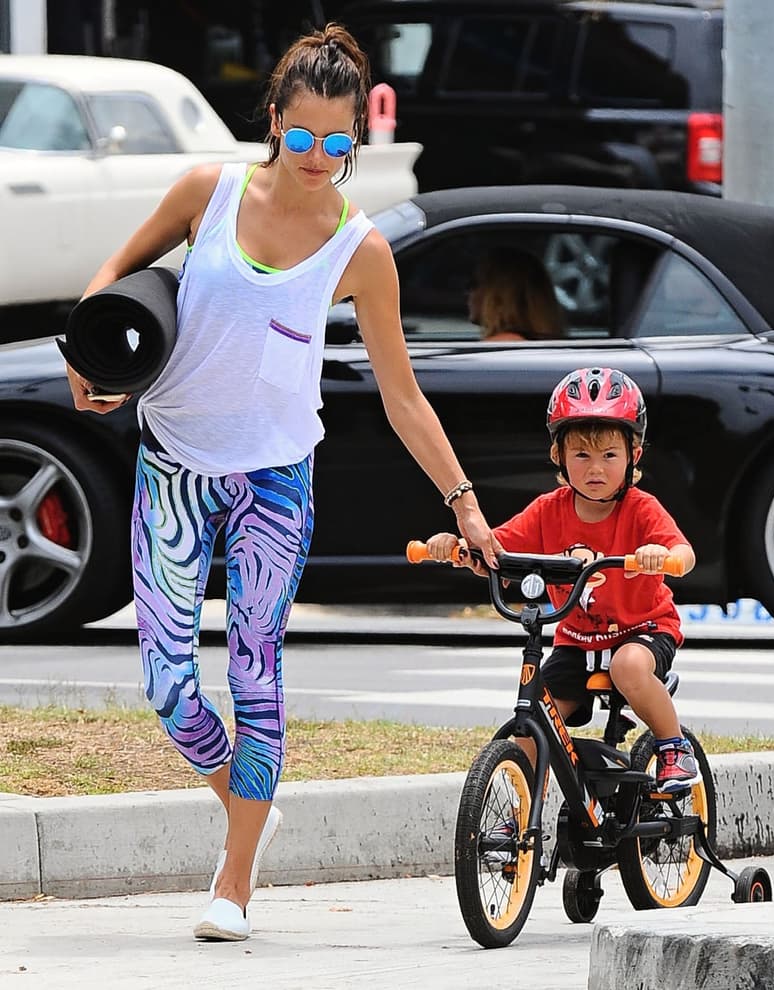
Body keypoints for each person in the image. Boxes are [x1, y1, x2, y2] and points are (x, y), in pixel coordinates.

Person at [64, 23, 499, 942]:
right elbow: (112, 275)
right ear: (272, 121)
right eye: (301, 139)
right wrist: (86, 357)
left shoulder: (359, 248)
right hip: (172, 468)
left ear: (355, 141)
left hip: (274, 484)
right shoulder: (206, 192)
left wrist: (464, 501)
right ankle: (248, 802)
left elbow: (403, 396)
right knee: (167, 683)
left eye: (337, 146)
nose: (316, 159)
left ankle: (236, 876)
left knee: (255, 670)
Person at [424, 366, 702, 792]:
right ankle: (517, 815)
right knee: (535, 717)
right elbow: (496, 549)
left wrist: (660, 556)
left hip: (643, 631)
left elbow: (684, 553)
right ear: (558, 456)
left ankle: (672, 746)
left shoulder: (641, 509)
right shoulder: (547, 510)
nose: (596, 468)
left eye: (609, 455)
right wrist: (457, 547)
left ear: (634, 456)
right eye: (581, 455)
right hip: (577, 640)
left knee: (629, 667)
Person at [467, 246, 565, 341]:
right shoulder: (544, 343)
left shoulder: (502, 344)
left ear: (500, 297)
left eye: (473, 284)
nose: (467, 292)